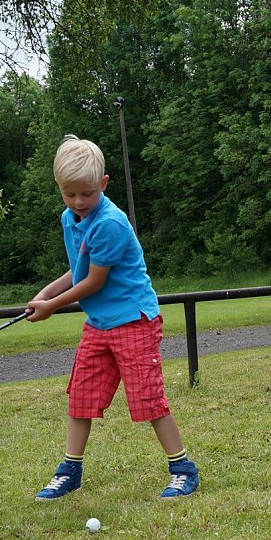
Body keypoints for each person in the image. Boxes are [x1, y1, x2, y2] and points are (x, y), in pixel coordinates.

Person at [26, 134, 200, 499]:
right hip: (100, 324)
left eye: (86, 194)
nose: (78, 202)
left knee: (148, 399)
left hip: (134, 321)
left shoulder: (110, 223)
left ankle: (183, 469)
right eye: (69, 194)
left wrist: (52, 307)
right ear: (59, 188)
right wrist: (45, 293)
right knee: (82, 397)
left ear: (103, 184)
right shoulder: (70, 218)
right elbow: (78, 268)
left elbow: (93, 281)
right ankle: (70, 470)